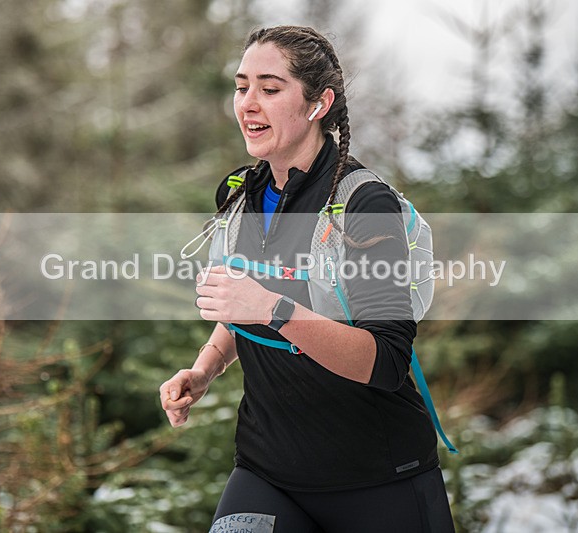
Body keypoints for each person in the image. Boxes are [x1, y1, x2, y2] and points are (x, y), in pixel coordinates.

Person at [159, 25, 455, 532]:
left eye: (270, 89)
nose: (248, 103)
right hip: (266, 470)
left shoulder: (365, 205)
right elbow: (241, 306)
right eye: (241, 86)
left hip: (378, 478)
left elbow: (386, 361)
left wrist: (275, 308)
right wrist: (205, 369)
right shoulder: (241, 195)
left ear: (319, 103)